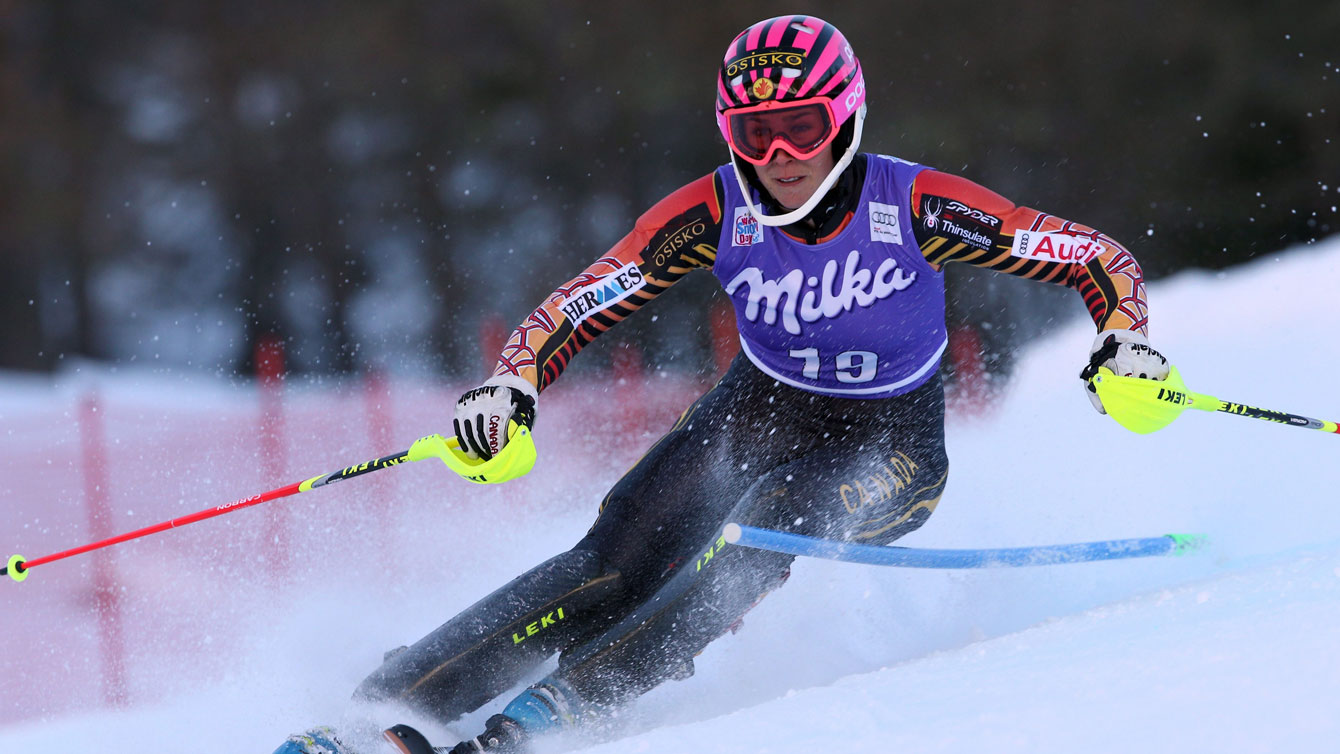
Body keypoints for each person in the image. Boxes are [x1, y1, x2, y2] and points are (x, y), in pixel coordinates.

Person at [281, 13, 1171, 754]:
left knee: (758, 534)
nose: (781, 153)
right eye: (755, 132)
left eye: (804, 127)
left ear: (847, 120)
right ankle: (381, 714)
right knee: (612, 560)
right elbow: (588, 297)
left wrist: (1125, 343)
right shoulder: (716, 211)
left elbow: (1094, 257)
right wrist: (512, 384)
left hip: (892, 442)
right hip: (761, 408)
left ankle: (548, 722)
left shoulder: (915, 205)